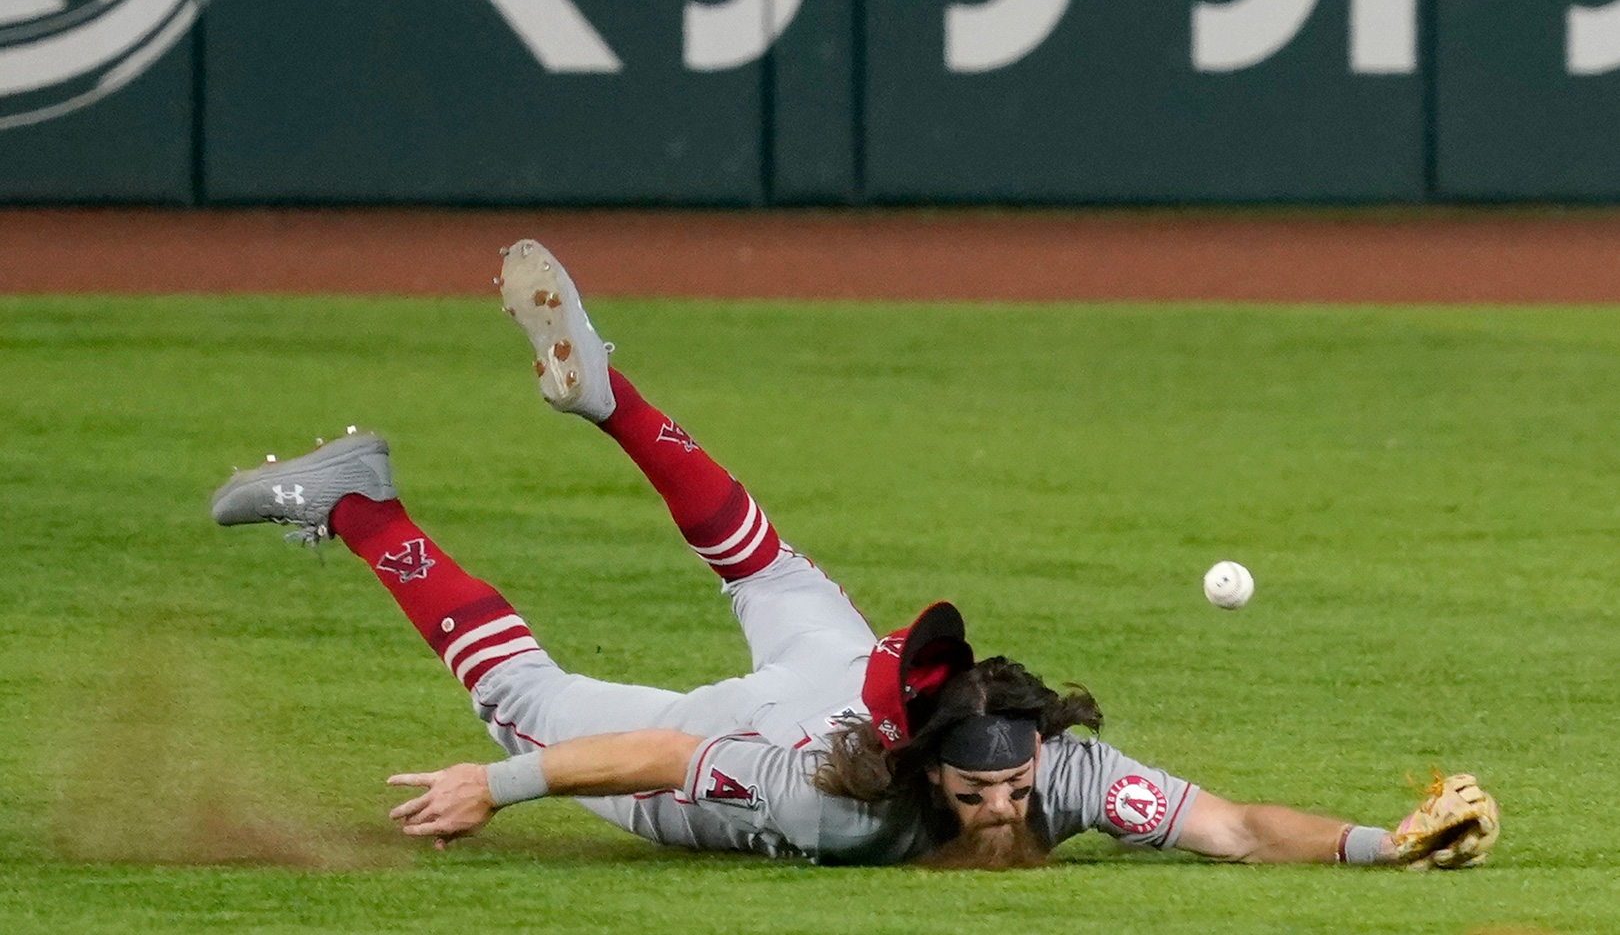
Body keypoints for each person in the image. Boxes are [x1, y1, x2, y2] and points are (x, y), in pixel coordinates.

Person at [210, 239, 1500, 870]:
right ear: (920, 767)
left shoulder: (1057, 770)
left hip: (831, 669)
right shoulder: (821, 798)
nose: (1003, 814)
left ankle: (603, 399)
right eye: (984, 798)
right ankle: (364, 505)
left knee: (760, 560)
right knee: (520, 704)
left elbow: (1229, 825)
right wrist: (506, 787)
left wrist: (1383, 847)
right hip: (735, 738)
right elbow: (661, 755)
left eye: (1011, 790)